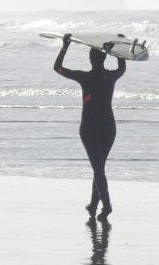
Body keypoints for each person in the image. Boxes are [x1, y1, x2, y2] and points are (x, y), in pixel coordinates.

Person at [52, 32, 126, 221]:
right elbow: (123, 67)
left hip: (90, 127)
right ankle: (94, 205)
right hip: (109, 127)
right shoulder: (111, 77)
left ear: (90, 59)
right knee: (99, 167)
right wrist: (119, 47)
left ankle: (107, 205)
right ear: (104, 58)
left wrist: (65, 45)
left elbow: (57, 68)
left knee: (98, 168)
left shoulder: (85, 77)